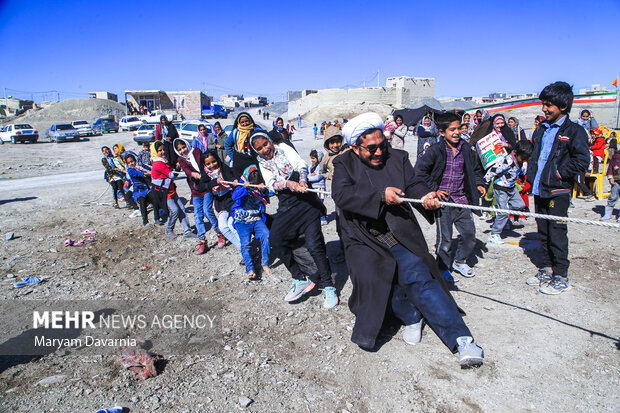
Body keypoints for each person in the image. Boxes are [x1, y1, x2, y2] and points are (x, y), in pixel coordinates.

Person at [332, 112, 484, 368]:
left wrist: (427, 195)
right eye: (372, 148)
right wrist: (380, 195)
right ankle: (411, 315)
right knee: (376, 278)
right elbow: (341, 195)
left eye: (383, 145)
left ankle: (462, 340)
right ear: (355, 147)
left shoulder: (398, 158)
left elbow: (414, 185)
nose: (380, 151)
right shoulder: (343, 163)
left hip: (397, 232)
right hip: (362, 236)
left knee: (419, 277)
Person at [250, 131, 338, 309]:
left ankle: (329, 286)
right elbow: (271, 183)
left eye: (265, 144)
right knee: (276, 238)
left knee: (314, 245)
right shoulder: (261, 163)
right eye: (259, 148)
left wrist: (303, 180)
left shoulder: (283, 148)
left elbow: (300, 164)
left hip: (306, 203)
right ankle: (299, 278)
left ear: (269, 141)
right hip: (287, 204)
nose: (265, 149)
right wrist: (288, 184)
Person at [525, 81, 589, 295]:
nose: (544, 108)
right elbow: (536, 158)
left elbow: (581, 161)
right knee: (543, 232)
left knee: (557, 233)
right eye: (543, 103)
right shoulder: (540, 130)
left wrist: (559, 174)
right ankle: (547, 268)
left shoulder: (575, 131)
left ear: (563, 106)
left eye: (549, 104)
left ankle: (561, 275)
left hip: (558, 191)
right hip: (539, 189)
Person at [413, 112, 486, 278]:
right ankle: (442, 268)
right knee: (444, 240)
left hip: (462, 200)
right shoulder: (435, 150)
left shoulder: (466, 148)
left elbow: (475, 170)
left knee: (469, 235)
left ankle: (460, 261)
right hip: (443, 203)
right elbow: (420, 171)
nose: (457, 132)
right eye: (452, 129)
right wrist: (434, 189)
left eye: (459, 128)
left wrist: (479, 184)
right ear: (442, 132)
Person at [174, 138, 220, 253]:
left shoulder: (196, 151)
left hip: (206, 186)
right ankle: (203, 241)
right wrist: (193, 174)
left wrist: (202, 176)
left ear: (187, 145)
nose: (183, 150)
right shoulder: (181, 159)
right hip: (195, 189)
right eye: (179, 149)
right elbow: (187, 171)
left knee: (207, 210)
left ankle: (220, 233)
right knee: (197, 215)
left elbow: (203, 164)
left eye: (183, 147)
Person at [484, 140, 533, 244]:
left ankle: (499, 210)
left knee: (520, 205)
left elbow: (517, 170)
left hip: (511, 187)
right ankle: (494, 234)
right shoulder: (508, 161)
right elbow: (493, 170)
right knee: (504, 212)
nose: (525, 160)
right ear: (516, 153)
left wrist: (521, 176)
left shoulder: (520, 161)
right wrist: (484, 182)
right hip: (501, 187)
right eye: (523, 158)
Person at [231, 165, 271, 279]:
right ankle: (250, 268)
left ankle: (265, 264)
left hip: (256, 218)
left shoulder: (260, 188)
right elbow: (235, 196)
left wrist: (263, 190)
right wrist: (246, 188)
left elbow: (271, 193)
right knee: (246, 244)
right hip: (242, 220)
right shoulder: (241, 184)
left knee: (266, 235)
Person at [197, 150, 241, 253]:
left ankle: (246, 249)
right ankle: (243, 248)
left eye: (214, 161)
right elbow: (201, 187)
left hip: (231, 200)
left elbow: (233, 176)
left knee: (232, 225)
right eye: (208, 163)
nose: (212, 165)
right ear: (204, 165)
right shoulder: (206, 174)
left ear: (218, 160)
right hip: (220, 204)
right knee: (222, 227)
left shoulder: (224, 168)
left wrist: (234, 181)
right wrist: (213, 182)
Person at [151, 141, 195, 239]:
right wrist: (178, 168)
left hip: (170, 190)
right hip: (163, 193)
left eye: (163, 150)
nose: (162, 152)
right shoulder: (158, 164)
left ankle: (186, 230)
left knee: (182, 209)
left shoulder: (163, 161)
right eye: (159, 151)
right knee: (174, 210)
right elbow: (171, 175)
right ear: (155, 152)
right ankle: (169, 230)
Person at [125, 153, 159, 226]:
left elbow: (147, 170)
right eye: (129, 162)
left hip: (146, 189)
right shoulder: (130, 170)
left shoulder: (139, 167)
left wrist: (152, 171)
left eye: (132, 161)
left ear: (135, 161)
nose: (131, 163)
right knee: (142, 203)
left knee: (155, 200)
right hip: (138, 191)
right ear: (127, 164)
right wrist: (147, 173)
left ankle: (157, 218)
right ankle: (145, 222)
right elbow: (138, 174)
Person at [600, 147, 620, 221]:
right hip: (616, 181)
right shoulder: (616, 155)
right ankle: (608, 214)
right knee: (612, 197)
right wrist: (610, 176)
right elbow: (610, 166)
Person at [308, 149, 328, 225]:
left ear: (318, 158)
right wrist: (310, 175)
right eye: (311, 158)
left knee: (320, 205)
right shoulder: (312, 167)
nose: (312, 160)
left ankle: (323, 218)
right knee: (314, 205)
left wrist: (308, 178)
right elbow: (309, 174)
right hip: (313, 189)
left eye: (313, 158)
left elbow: (318, 177)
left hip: (320, 189)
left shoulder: (321, 167)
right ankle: (317, 218)